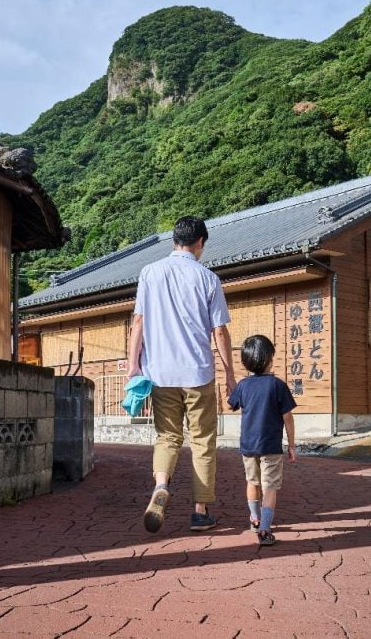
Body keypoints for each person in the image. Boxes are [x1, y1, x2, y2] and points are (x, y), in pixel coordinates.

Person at [126, 216, 236, 533]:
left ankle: (161, 485)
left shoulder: (150, 273)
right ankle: (200, 512)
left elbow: (138, 323)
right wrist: (230, 374)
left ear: (175, 240)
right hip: (198, 374)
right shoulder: (208, 278)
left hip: (160, 374)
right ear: (199, 242)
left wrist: (134, 366)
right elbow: (220, 332)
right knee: (202, 442)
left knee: (167, 437)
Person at [227, 334, 297, 546]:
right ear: (270, 359)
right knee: (270, 487)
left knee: (252, 482)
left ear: (246, 362)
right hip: (271, 447)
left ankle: (255, 518)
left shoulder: (243, 385)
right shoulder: (278, 385)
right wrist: (292, 445)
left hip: (248, 446)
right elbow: (288, 418)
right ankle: (265, 530)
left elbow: (232, 404)